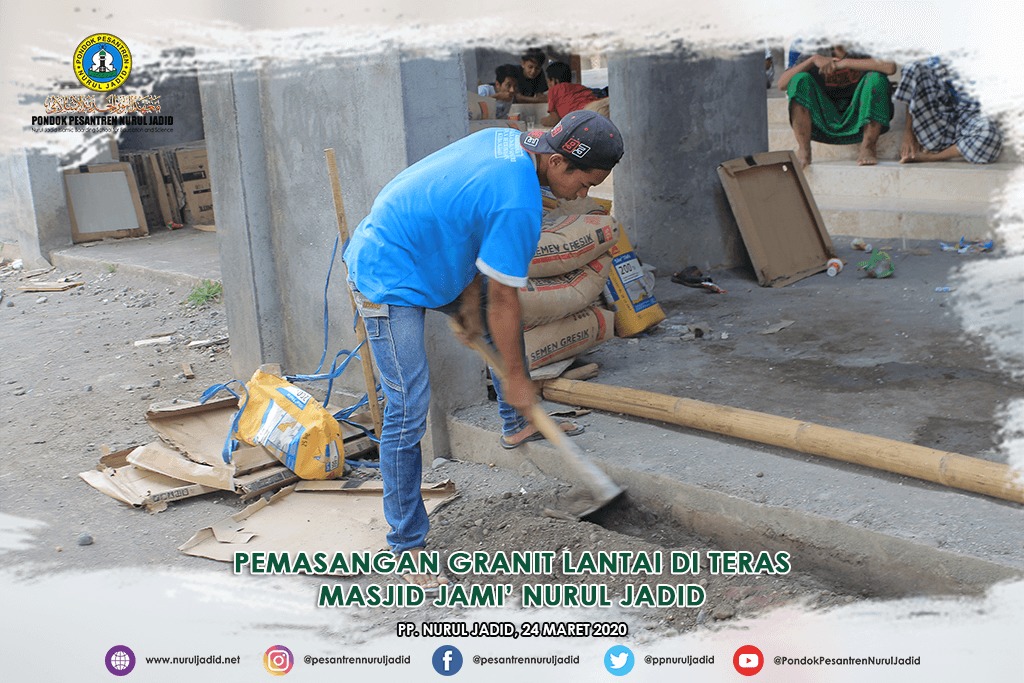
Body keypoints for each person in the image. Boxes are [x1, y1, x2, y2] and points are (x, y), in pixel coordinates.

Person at [343, 110, 624, 591]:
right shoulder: (518, 201)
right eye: (586, 182)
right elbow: (505, 297)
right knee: (408, 407)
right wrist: (518, 379)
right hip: (387, 270)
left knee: (497, 330)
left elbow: (472, 226)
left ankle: (517, 425)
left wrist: (468, 303)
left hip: (432, 255)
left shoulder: (508, 141)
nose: (584, 194)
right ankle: (406, 545)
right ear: (557, 161)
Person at [777, 43, 896, 168]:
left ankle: (868, 146)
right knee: (799, 80)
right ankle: (804, 149)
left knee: (877, 79)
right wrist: (813, 60)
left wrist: (844, 63)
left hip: (858, 114)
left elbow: (890, 67)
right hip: (825, 116)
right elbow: (782, 84)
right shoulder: (816, 48)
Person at [894, 56, 1002, 164]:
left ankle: (930, 157)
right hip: (940, 121)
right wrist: (908, 133)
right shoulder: (941, 57)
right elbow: (917, 84)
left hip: (971, 117)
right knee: (912, 67)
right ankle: (924, 141)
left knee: (989, 133)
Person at [539, 61, 610, 126]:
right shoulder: (579, 87)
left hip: (587, 113)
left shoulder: (554, 89)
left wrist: (541, 121)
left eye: (548, 81)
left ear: (554, 81)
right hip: (599, 106)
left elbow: (554, 120)